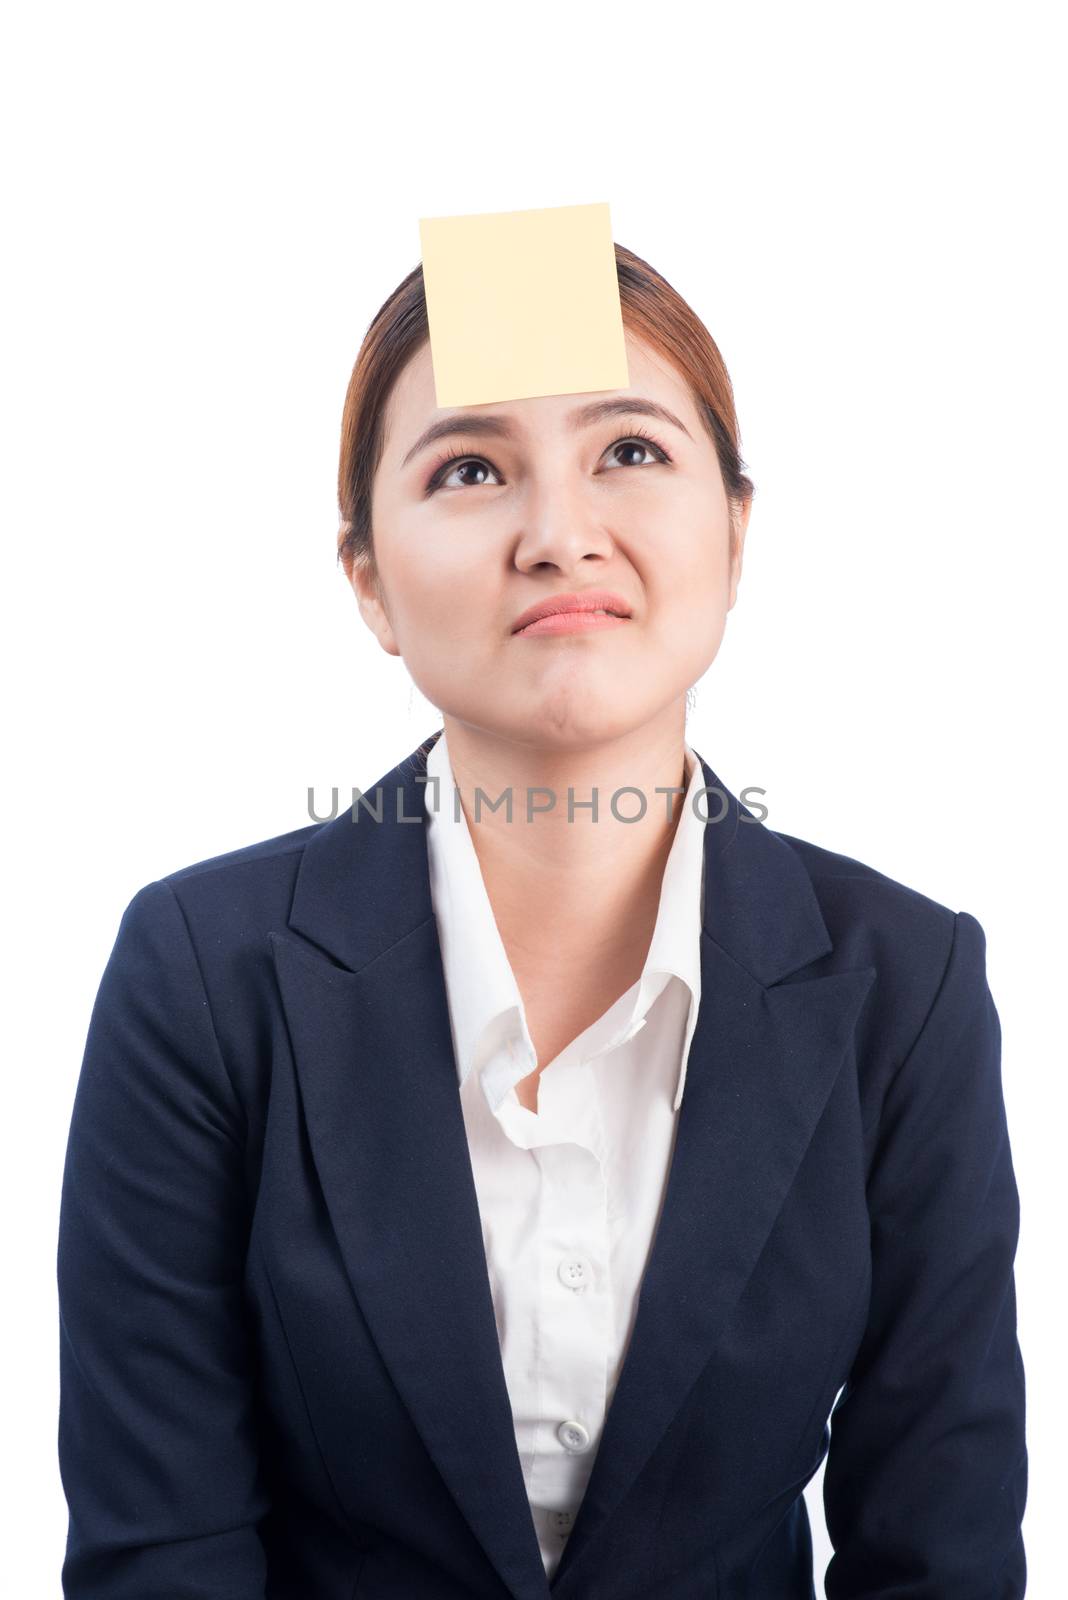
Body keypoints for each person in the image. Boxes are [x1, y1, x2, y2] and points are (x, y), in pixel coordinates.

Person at [57, 243, 1028, 1598]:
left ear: (738, 534)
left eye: (628, 451)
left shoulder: (903, 987)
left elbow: (941, 1555)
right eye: (470, 469)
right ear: (368, 582)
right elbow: (162, 1558)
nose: (560, 534)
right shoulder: (203, 978)